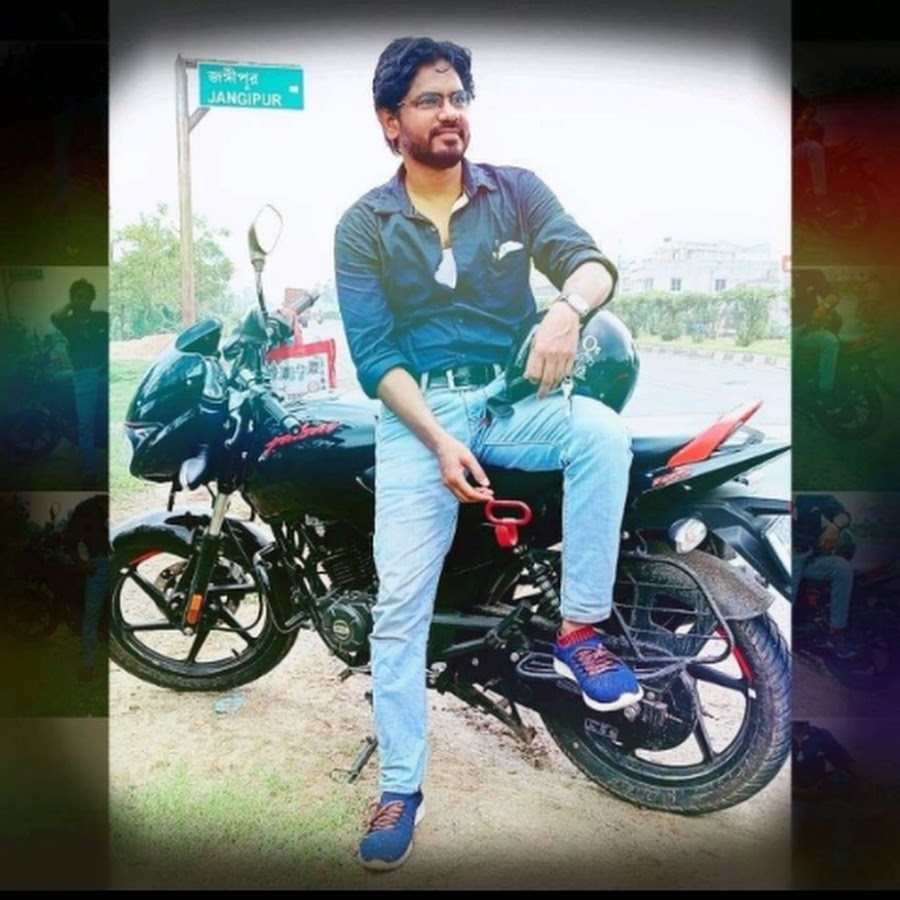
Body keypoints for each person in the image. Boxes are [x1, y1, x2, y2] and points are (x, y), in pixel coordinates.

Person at [334, 36, 637, 871]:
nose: (450, 113)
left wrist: (568, 309)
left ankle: (579, 630)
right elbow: (375, 357)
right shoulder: (363, 225)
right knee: (400, 610)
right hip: (416, 416)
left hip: (513, 402)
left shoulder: (516, 192)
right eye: (429, 100)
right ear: (390, 122)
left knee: (603, 434)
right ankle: (400, 787)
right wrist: (439, 441)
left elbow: (590, 262)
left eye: (458, 97)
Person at [50, 278, 108, 489]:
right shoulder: (69, 323)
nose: (83, 300)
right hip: (84, 376)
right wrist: (70, 305)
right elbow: (55, 317)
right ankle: (91, 470)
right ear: (72, 299)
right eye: (78, 297)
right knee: (85, 424)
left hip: (106, 374)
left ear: (92, 298)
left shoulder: (102, 317)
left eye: (86, 296)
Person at [791, 720, 861, 885]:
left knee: (848, 814)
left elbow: (845, 761)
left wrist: (858, 782)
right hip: (790, 801)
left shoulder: (820, 735)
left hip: (818, 799)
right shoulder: (776, 737)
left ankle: (836, 871)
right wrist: (803, 792)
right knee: (793, 817)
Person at [792, 493, 855, 658]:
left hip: (809, 558)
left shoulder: (811, 495)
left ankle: (835, 632)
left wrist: (835, 526)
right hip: (783, 557)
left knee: (842, 568)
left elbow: (843, 515)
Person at [62, 494, 109, 684]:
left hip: (125, 559)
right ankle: (88, 664)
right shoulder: (86, 508)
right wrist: (81, 563)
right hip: (100, 564)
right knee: (91, 615)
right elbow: (70, 541)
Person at [792, 268, 846, 418]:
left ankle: (825, 391)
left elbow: (833, 295)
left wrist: (824, 307)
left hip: (807, 331)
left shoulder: (811, 274)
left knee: (831, 341)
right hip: (786, 333)